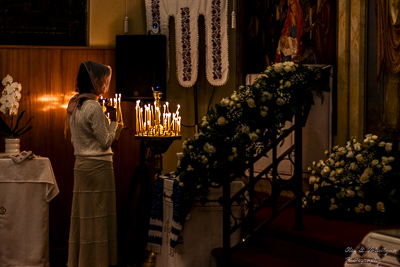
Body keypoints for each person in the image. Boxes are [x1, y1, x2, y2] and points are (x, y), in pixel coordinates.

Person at [65, 60, 118, 267]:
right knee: (100, 216)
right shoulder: (94, 107)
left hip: (81, 166)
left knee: (83, 215)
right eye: (103, 80)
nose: (105, 84)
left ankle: (83, 260)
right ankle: (98, 261)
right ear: (95, 81)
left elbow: (77, 139)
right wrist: (114, 123)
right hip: (99, 167)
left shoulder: (75, 105)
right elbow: (105, 141)